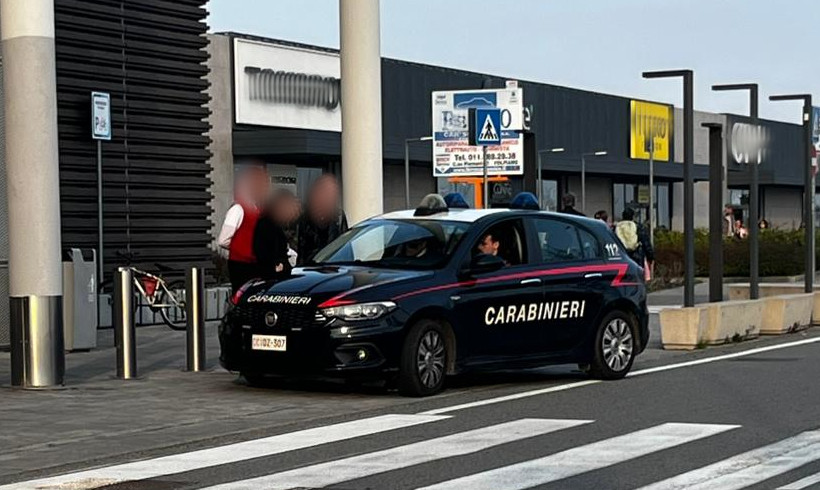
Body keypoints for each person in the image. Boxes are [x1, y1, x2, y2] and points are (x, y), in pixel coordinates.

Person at [219, 165, 269, 292]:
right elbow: (223, 240)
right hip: (242, 265)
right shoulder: (238, 209)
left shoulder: (257, 210)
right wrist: (243, 249)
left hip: (255, 264)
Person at [296, 175, 348, 266]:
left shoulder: (338, 215)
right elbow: (301, 246)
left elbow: (345, 242)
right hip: (312, 264)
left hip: (334, 264)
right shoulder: (307, 215)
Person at [253, 189, 299, 281]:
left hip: (277, 272)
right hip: (271, 275)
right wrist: (277, 265)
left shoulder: (277, 224)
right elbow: (262, 250)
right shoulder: (267, 224)